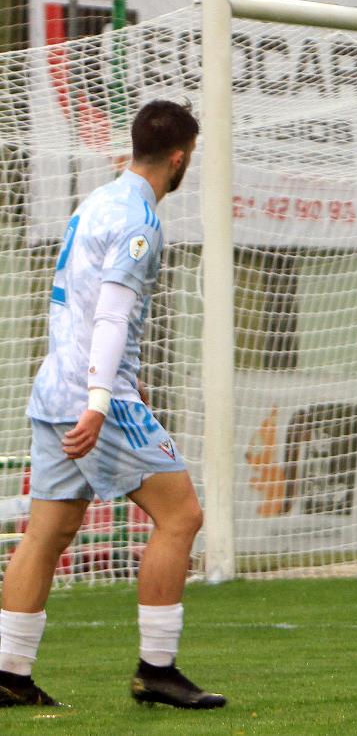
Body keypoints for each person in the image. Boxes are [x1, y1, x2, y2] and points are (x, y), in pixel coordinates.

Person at [2, 100, 225, 709]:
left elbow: (72, 302)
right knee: (181, 517)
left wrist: (114, 380)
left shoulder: (96, 202)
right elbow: (110, 313)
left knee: (48, 529)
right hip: (91, 397)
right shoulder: (139, 221)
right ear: (180, 158)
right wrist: (102, 399)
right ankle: (157, 670)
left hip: (54, 384)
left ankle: (8, 675)